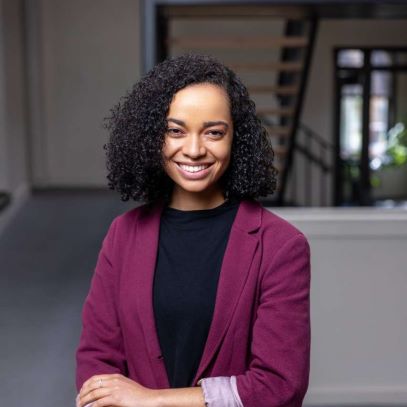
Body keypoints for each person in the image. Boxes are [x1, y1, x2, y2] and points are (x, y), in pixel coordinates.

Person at [75, 53, 311, 407]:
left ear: (236, 139)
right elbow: (97, 363)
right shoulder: (122, 235)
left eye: (214, 132)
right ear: (152, 137)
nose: (195, 150)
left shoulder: (280, 246)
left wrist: (152, 401)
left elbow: (279, 385)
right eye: (175, 131)